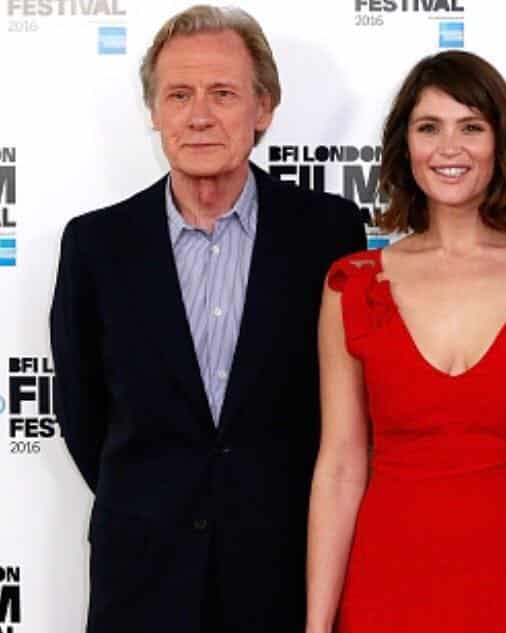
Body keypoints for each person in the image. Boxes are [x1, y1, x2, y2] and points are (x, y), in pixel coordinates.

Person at [49, 6, 366, 632]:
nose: (199, 116)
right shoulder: (96, 245)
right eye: (179, 95)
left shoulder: (328, 231)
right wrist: (154, 499)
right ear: (155, 112)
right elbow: (83, 414)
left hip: (285, 573)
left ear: (264, 109)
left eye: (223, 93)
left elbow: (346, 411)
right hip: (141, 578)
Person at [305, 50, 506, 633]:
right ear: (406, 147)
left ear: (500, 146)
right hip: (385, 593)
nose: (449, 148)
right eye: (430, 127)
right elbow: (341, 464)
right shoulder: (351, 284)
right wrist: (317, 625)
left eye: (471, 127)